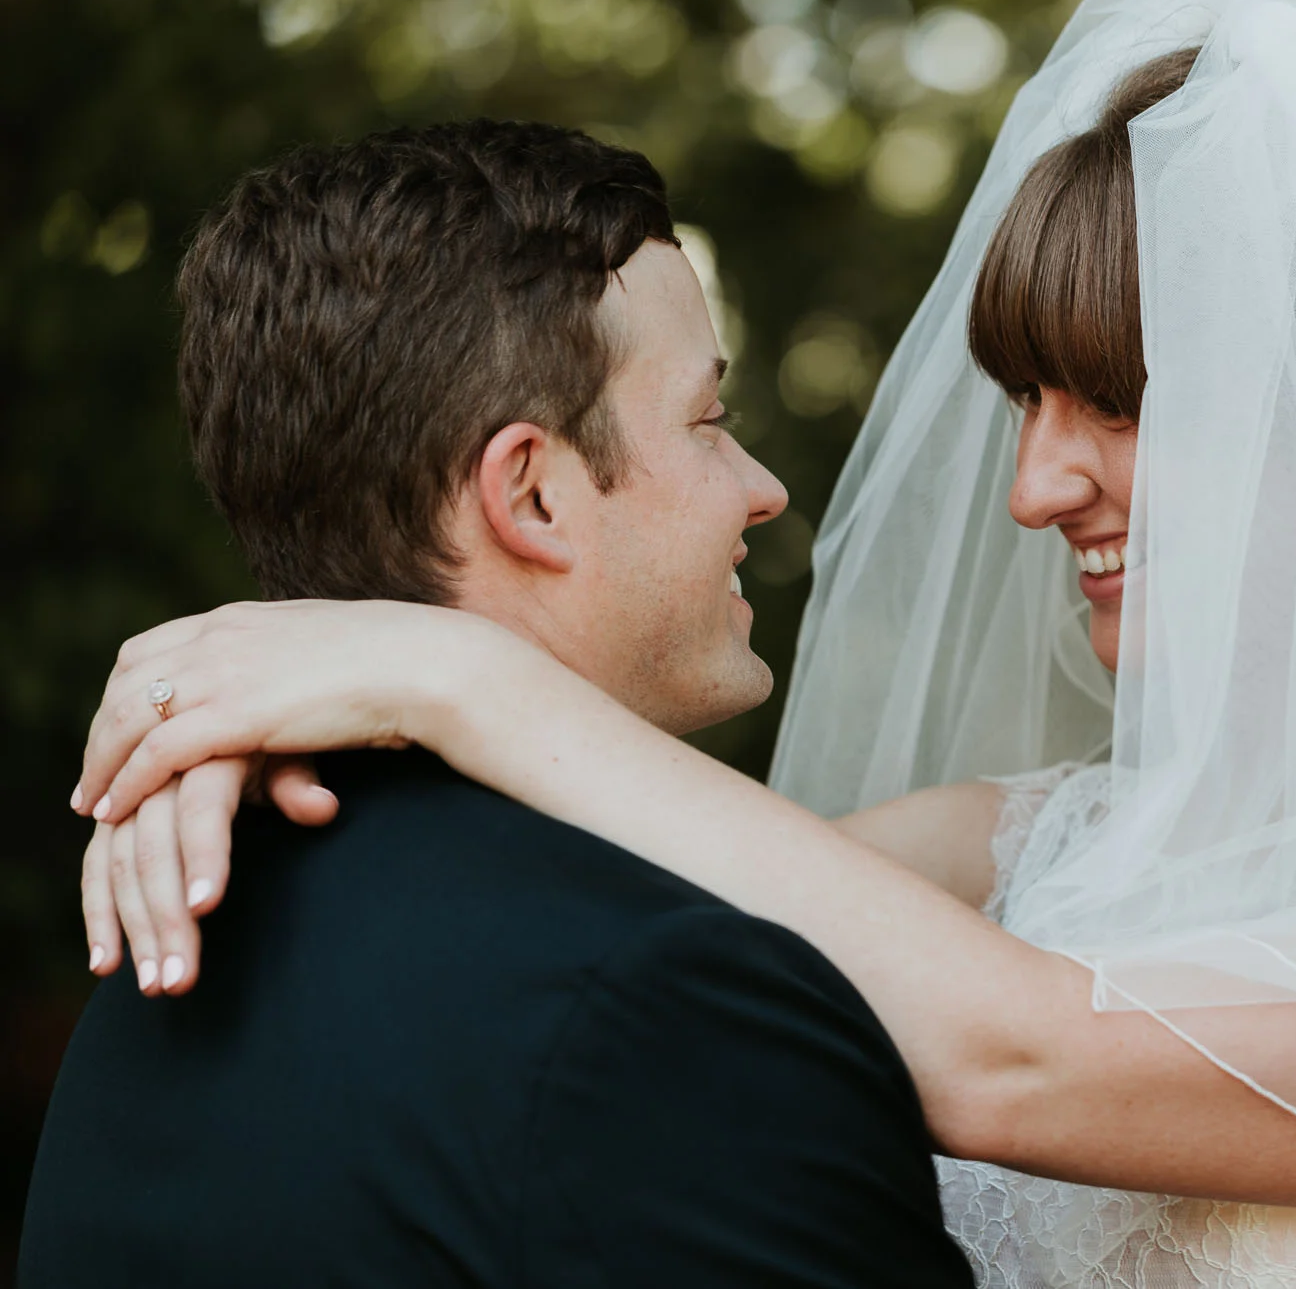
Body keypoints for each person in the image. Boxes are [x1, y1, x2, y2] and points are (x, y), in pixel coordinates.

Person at [69, 0, 1296, 1286]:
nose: (1036, 488)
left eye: (1116, 402)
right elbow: (601, 920)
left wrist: (433, 661)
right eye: (1026, 409)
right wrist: (265, 744)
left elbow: (1025, 1063)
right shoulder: (1023, 848)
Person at [21, 120, 975, 1287]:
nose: (763, 491)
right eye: (709, 423)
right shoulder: (669, 1002)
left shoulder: (169, 958)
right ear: (531, 493)